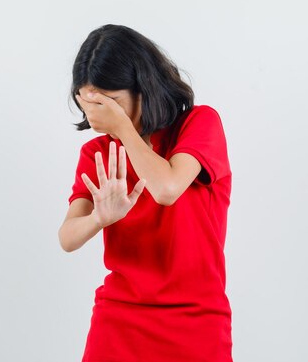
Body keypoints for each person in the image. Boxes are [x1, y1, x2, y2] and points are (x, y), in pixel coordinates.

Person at [58, 24, 233, 362]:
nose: (98, 116)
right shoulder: (97, 153)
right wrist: (98, 218)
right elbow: (67, 237)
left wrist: (123, 129)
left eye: (109, 103)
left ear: (143, 88)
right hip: (118, 319)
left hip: (196, 321)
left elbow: (167, 188)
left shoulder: (199, 125)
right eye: (88, 102)